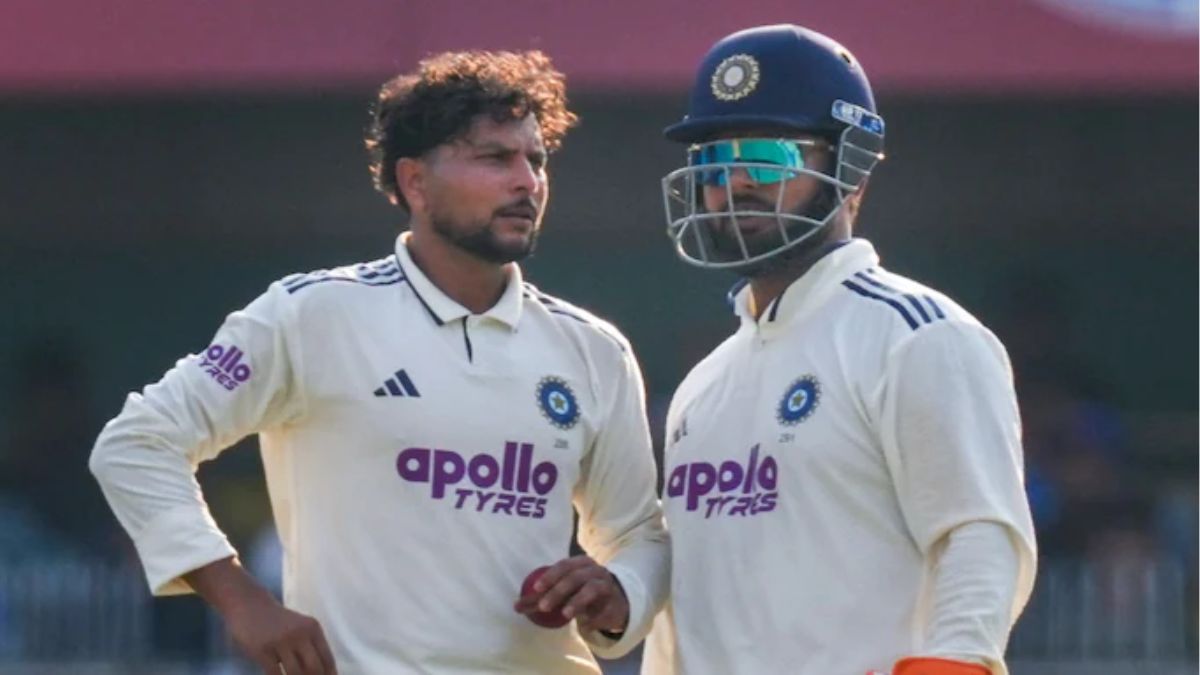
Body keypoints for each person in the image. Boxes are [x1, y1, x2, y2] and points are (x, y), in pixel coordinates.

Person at [89, 50, 668, 675]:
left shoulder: (592, 350)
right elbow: (136, 443)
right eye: (496, 158)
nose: (527, 182)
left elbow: (638, 533)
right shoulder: (311, 315)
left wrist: (616, 593)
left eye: (536, 159)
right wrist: (242, 601)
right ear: (414, 181)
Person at [642, 25, 1037, 675]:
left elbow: (980, 531)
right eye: (713, 162)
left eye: (768, 157)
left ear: (849, 168)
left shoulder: (919, 334)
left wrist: (956, 661)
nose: (734, 182)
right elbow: (688, 608)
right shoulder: (703, 385)